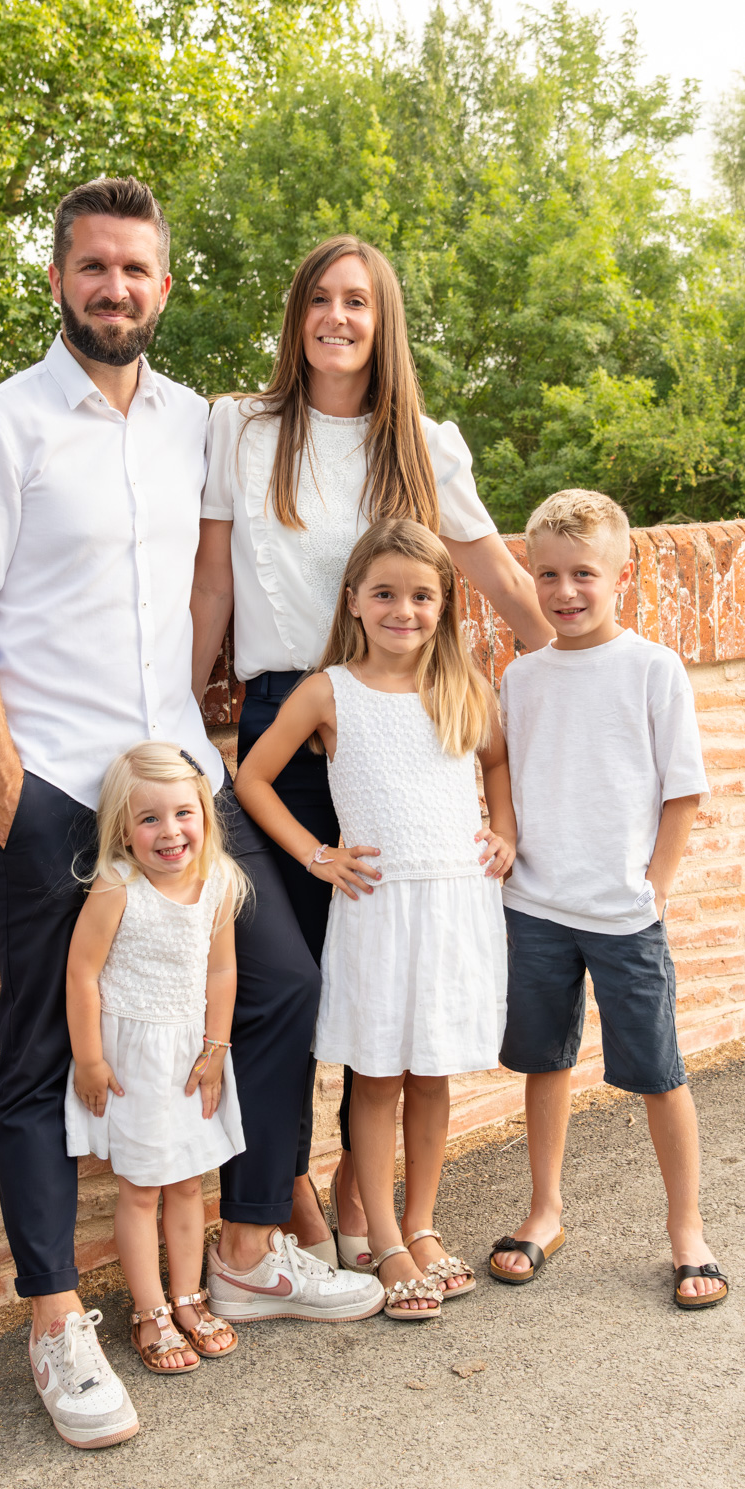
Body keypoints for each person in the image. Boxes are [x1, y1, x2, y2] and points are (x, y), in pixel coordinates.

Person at [0, 177, 384, 1449]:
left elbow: (297, 490)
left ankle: (242, 1249)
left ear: (166, 288)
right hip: (58, 786)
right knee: (42, 1057)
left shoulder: (197, 426)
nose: (117, 289)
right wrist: (7, 787)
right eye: (94, 268)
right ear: (60, 279)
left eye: (138, 271)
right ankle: (59, 1320)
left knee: (279, 985)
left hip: (187, 783)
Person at [191, 235, 551, 1278]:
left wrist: (579, 657)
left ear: (383, 322)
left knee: (385, 981)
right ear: (296, 314)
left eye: (359, 301)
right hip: (288, 721)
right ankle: (290, 1206)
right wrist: (175, 702)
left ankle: (370, 1211)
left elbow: (483, 565)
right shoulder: (242, 429)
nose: (338, 318)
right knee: (297, 987)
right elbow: (214, 580)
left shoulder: (426, 445)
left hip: (401, 732)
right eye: (320, 299)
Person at [230, 520, 514, 1320]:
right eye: (385, 593)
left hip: (455, 901)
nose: (404, 610)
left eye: (422, 595)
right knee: (380, 1074)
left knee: (433, 1072)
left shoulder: (464, 685)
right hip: (377, 906)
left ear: (443, 603)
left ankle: (422, 1223)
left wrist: (508, 833)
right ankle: (383, 1237)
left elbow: (494, 763)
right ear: (354, 600)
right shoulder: (329, 691)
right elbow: (252, 780)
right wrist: (318, 855)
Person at [488, 489, 728, 1310]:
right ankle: (545, 1211)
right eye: (547, 573)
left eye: (583, 573)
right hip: (537, 908)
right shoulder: (520, 679)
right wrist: (509, 844)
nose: (564, 591)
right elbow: (507, 780)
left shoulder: (653, 668)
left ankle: (688, 1230)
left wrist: (654, 890)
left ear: (620, 573)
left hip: (626, 915)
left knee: (660, 1072)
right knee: (544, 1063)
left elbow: (682, 791)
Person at [65, 743, 247, 1377]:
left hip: (193, 1056)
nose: (170, 832)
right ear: (123, 828)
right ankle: (149, 1311)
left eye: (184, 813)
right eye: (149, 819)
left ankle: (188, 1300)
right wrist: (89, 1061)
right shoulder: (119, 888)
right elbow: (82, 975)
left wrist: (217, 1048)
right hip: (134, 1060)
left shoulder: (220, 880)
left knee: (190, 1182)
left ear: (204, 812)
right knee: (141, 1188)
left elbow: (222, 969)